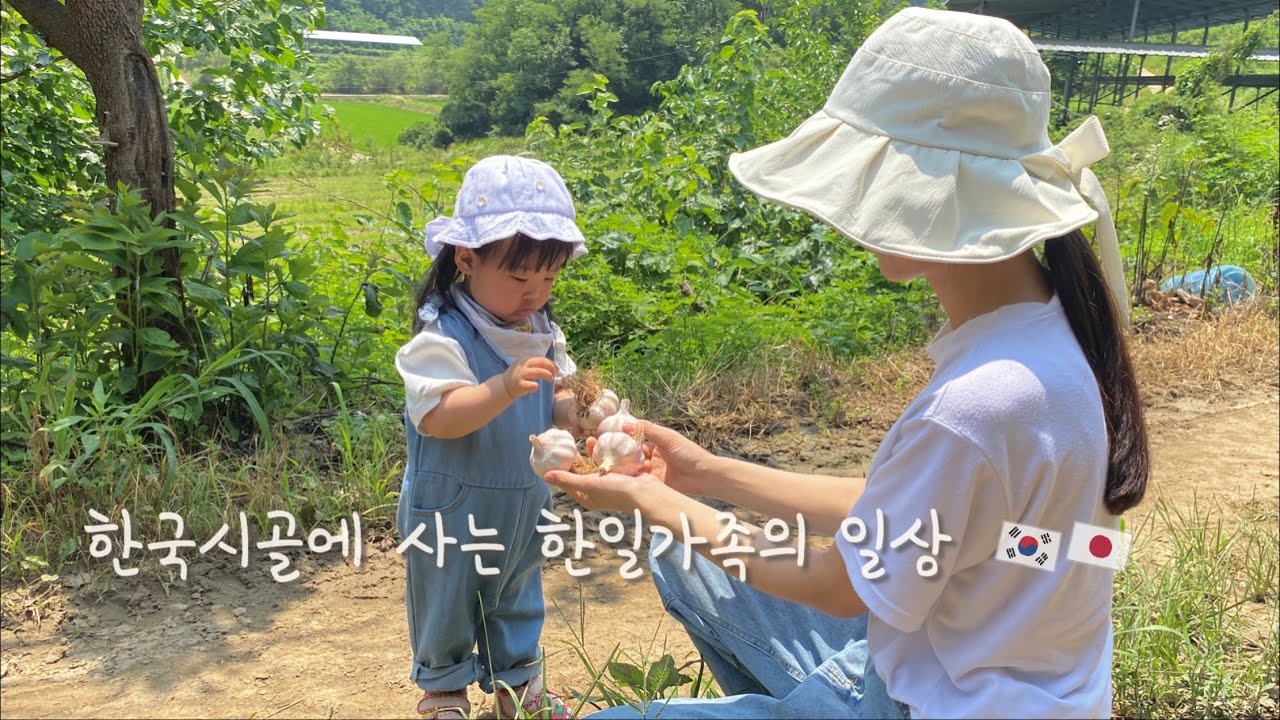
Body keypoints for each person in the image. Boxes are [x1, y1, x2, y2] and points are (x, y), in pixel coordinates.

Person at [546, 7, 1149, 719]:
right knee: (687, 555)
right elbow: (910, 516)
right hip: (1016, 677)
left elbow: (838, 582)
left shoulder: (975, 405)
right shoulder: (1051, 335)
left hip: (933, 704)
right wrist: (702, 473)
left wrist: (649, 498)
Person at [395, 155, 585, 719]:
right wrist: (502, 386)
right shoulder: (442, 333)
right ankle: (444, 690)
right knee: (448, 593)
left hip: (523, 498)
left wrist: (575, 414)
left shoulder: (538, 329)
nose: (536, 293)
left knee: (517, 590)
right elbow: (440, 416)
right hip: (452, 504)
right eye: (521, 277)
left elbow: (559, 391)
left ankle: (516, 683)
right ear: (467, 258)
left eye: (550, 277)